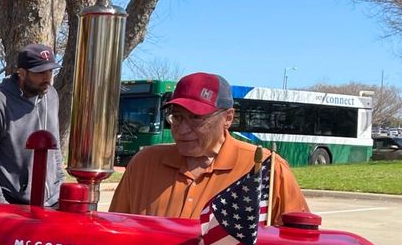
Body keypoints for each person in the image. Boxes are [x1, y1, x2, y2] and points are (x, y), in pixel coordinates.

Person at [110, 72, 308, 223]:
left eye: (196, 118)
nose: (182, 130)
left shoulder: (265, 169)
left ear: (228, 118)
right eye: (177, 117)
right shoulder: (145, 163)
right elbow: (116, 231)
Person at [0, 43, 64, 206]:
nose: (47, 78)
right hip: (15, 204)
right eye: (40, 72)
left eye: (50, 71)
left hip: (54, 201)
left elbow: (54, 145)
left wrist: (60, 182)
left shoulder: (52, 95)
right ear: (21, 73)